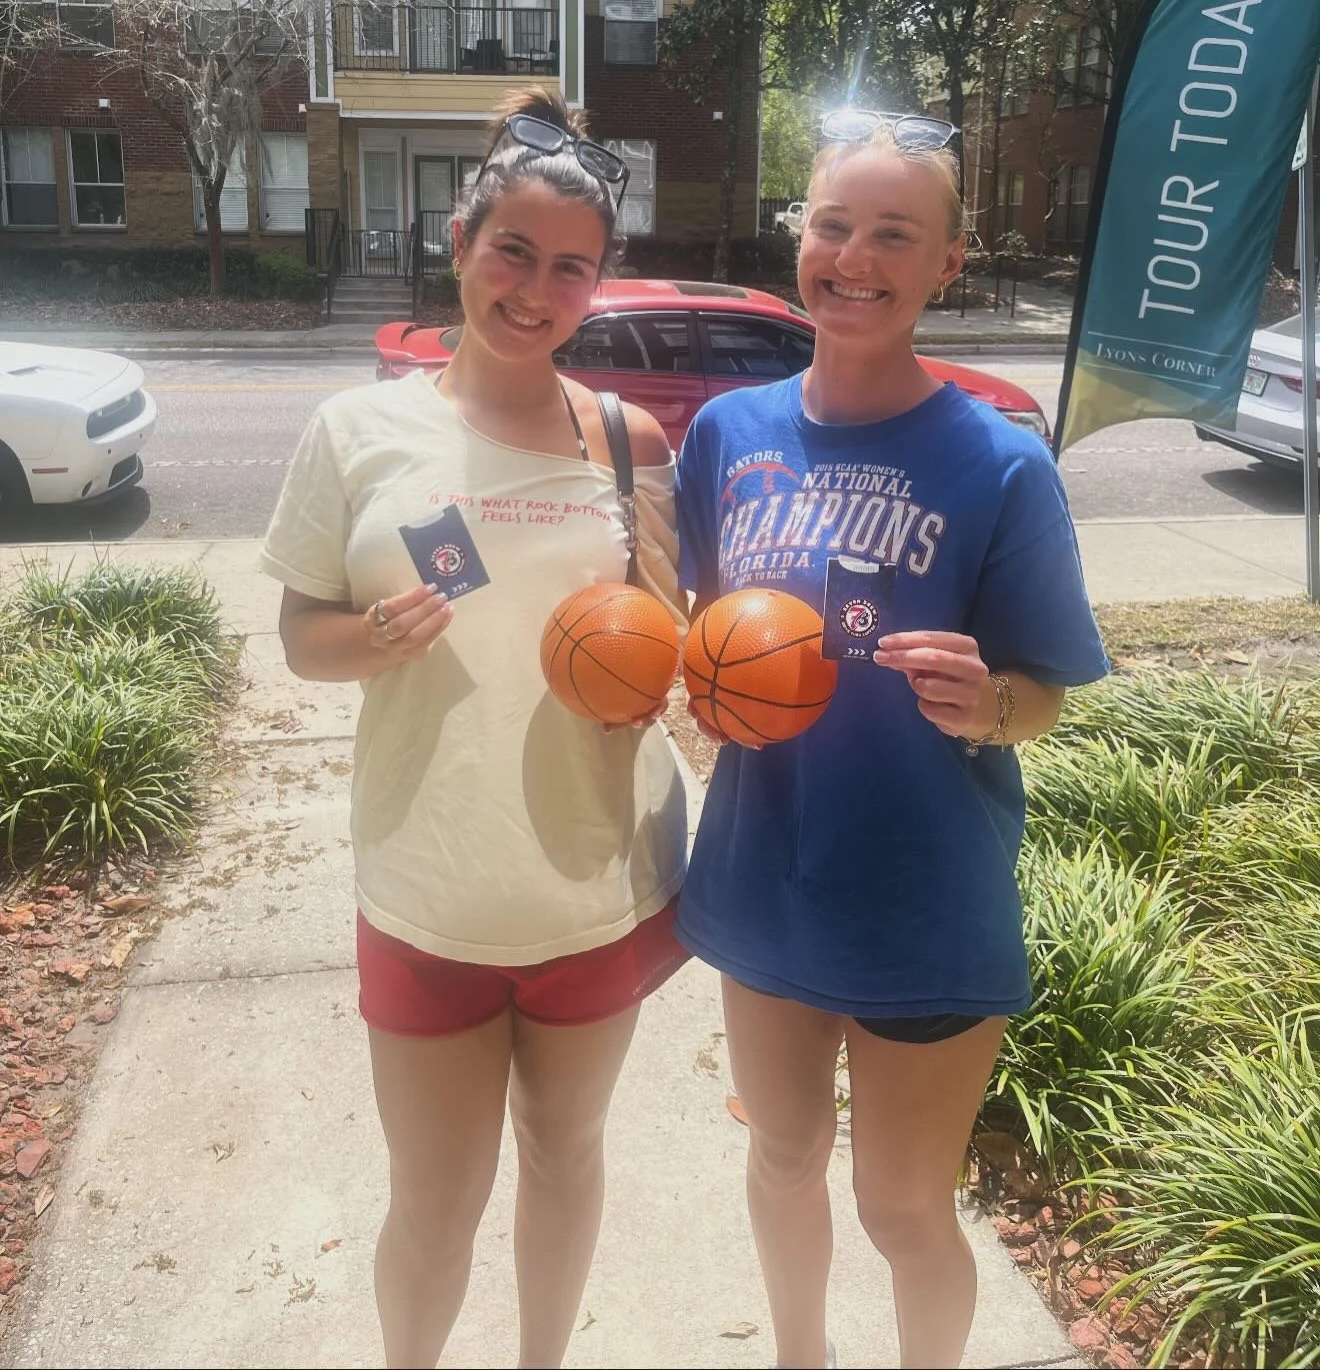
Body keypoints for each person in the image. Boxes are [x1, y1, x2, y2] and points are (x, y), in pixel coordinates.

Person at [258, 90, 689, 1370]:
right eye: (515, 251)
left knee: (566, 1160)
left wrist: (695, 669)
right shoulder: (358, 429)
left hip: (591, 883)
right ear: (460, 239)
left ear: (595, 285)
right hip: (427, 883)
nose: (536, 287)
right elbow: (300, 636)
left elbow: (666, 637)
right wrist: (372, 638)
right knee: (434, 1207)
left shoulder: (629, 441)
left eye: (572, 267)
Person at [674, 109, 1108, 1370]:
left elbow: (1046, 694)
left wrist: (990, 702)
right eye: (832, 223)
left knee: (902, 1205)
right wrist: (701, 682)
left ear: (947, 265)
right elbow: (715, 638)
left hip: (925, 894)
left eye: (894, 234)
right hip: (765, 872)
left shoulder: (1002, 461)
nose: (853, 255)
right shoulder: (728, 433)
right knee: (783, 1150)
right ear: (798, 233)